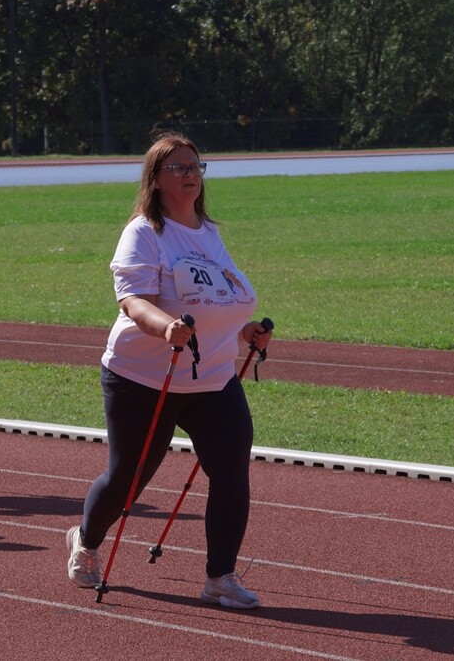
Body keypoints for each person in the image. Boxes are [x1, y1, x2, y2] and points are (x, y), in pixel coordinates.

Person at [66, 132, 273, 608]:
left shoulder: (209, 232)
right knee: (128, 480)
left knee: (231, 470)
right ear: (155, 180)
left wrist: (246, 331)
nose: (190, 174)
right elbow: (132, 300)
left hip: (211, 377)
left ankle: (220, 577)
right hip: (142, 376)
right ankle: (86, 539)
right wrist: (165, 328)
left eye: (195, 166)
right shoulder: (143, 232)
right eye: (178, 168)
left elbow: (220, 297)